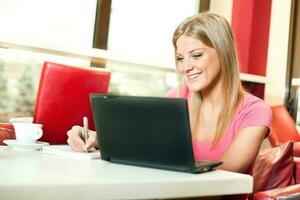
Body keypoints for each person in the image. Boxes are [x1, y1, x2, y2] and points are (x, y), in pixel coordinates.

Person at [67, 12, 272, 175]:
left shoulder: (254, 111)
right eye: (180, 58)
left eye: (196, 56)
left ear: (223, 52)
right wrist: (95, 138)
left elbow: (223, 175)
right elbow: (140, 138)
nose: (186, 67)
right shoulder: (177, 96)